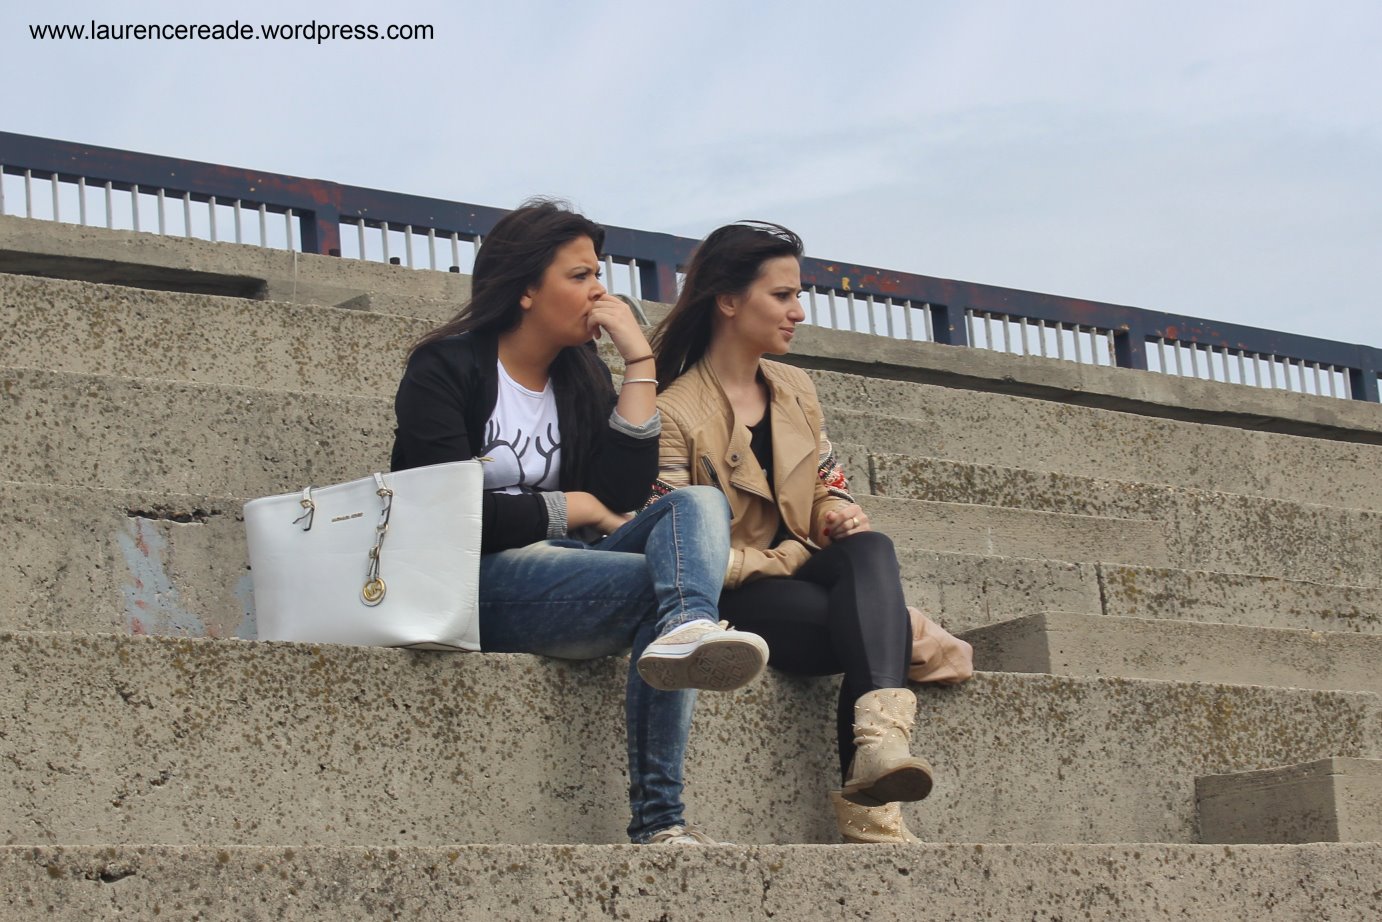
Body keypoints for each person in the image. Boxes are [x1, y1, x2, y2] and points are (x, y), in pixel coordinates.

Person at [391, 199, 769, 845]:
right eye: (580, 275)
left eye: (599, 274)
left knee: (698, 504)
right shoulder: (446, 368)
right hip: (473, 582)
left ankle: (687, 629)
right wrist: (578, 508)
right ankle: (660, 821)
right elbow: (442, 513)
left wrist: (639, 365)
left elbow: (621, 490)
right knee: (659, 587)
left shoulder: (580, 374)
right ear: (526, 289)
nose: (599, 291)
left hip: (571, 571)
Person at [648, 221, 932, 844]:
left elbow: (828, 480)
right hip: (737, 593)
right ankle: (872, 815)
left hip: (805, 569)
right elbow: (674, 541)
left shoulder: (796, 389)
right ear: (728, 301)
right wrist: (788, 557)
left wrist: (838, 512)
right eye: (781, 296)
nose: (798, 312)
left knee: (871, 547)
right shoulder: (673, 412)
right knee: (870, 627)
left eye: (797, 295)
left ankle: (881, 748)